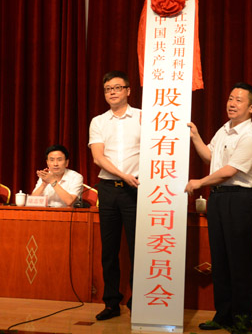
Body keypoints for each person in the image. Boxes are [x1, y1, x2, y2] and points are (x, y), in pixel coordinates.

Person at [185, 82, 252, 331]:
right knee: (220, 260)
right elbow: (211, 157)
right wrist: (195, 136)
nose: (232, 103)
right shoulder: (224, 129)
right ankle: (223, 316)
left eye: (239, 100)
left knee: (239, 262)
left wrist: (200, 182)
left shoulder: (250, 136)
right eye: (230, 98)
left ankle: (242, 322)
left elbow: (229, 171)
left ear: (251, 107)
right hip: (218, 198)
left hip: (239, 200)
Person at [89, 70, 141, 321]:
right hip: (108, 189)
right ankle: (111, 302)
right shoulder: (98, 121)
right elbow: (98, 157)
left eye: (117, 88)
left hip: (136, 190)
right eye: (108, 89)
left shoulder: (143, 117)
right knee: (109, 249)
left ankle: (137, 301)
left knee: (137, 248)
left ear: (128, 91)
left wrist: (133, 179)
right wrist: (123, 175)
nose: (112, 92)